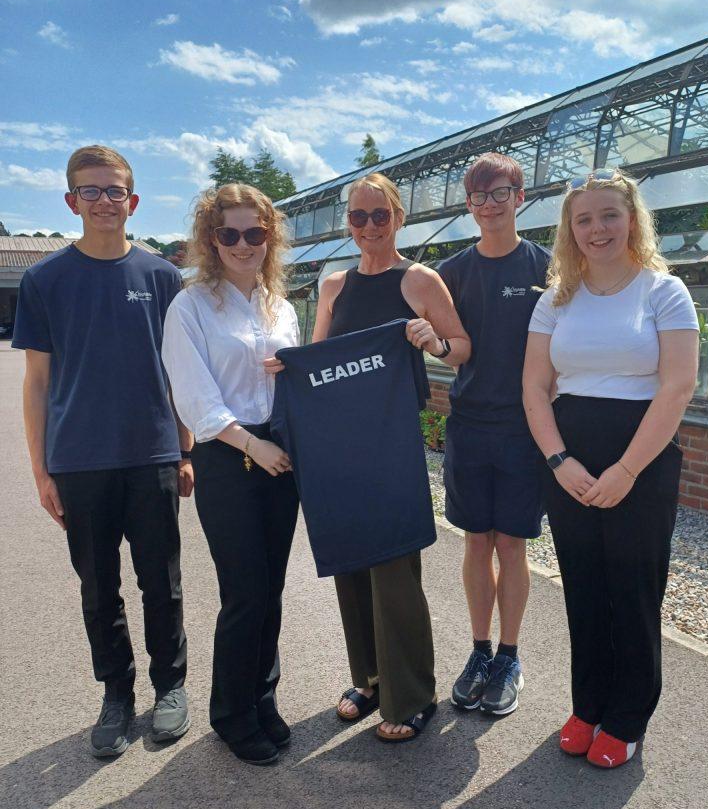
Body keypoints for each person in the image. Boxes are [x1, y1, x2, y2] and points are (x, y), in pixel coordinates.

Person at [13, 145, 193, 758]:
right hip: (80, 460)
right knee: (98, 586)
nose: (103, 201)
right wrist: (41, 470)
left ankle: (171, 686)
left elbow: (178, 374)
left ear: (132, 200)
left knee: (161, 581)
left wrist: (185, 448)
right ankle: (117, 693)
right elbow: (37, 382)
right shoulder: (44, 281)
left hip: (151, 455)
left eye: (114, 190)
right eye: (90, 191)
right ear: (71, 201)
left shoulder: (163, 278)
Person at [523, 168, 699, 769]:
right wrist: (557, 459)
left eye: (609, 216)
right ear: (570, 230)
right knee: (584, 587)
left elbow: (677, 387)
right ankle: (588, 704)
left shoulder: (663, 292)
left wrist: (626, 470)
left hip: (641, 461)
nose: (597, 229)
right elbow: (535, 386)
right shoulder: (555, 300)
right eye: (584, 219)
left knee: (633, 587)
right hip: (569, 461)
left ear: (632, 220)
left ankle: (628, 715)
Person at [313, 172, 471, 742]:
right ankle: (371, 677)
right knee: (353, 565)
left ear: (399, 218)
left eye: (380, 215)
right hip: (344, 446)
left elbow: (462, 349)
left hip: (394, 447)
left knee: (395, 572)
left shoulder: (420, 280)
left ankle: (414, 693)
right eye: (358, 217)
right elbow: (318, 363)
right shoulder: (334, 286)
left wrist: (434, 342)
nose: (369, 227)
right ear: (348, 223)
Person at [162, 184, 300, 766]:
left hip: (280, 456)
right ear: (211, 239)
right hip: (228, 455)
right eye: (230, 234)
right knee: (244, 592)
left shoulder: (281, 305)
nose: (243, 244)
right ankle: (231, 713)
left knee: (270, 590)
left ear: (269, 239)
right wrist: (251, 444)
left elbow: (297, 379)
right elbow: (194, 398)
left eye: (255, 233)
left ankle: (261, 696)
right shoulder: (190, 306)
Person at [438, 152, 549, 717]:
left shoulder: (545, 268)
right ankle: (479, 651)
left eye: (499, 193)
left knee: (512, 543)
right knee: (475, 541)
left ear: (519, 197)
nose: (489, 204)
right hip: (469, 424)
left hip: (525, 429)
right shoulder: (453, 273)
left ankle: (509, 656)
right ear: (469, 205)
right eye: (479, 196)